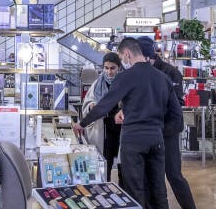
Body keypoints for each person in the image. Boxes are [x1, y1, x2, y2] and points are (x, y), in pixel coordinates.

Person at [73, 37, 182, 208]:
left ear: (127, 54)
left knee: (135, 191)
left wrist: (82, 123)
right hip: (157, 141)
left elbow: (103, 106)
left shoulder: (126, 78)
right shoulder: (162, 78)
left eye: (122, 58)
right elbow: (177, 117)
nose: (123, 62)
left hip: (133, 141)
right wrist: (159, 131)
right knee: (159, 191)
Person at [149, 50, 196, 209]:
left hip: (169, 130)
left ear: (149, 56)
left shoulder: (171, 72)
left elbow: (178, 102)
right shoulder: (144, 71)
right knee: (154, 176)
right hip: (152, 129)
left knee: (174, 174)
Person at [82, 52, 123, 184]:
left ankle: (124, 192)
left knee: (124, 165)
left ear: (119, 67)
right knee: (106, 162)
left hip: (122, 129)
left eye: (112, 68)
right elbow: (87, 102)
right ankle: (106, 189)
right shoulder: (97, 84)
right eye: (106, 68)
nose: (109, 72)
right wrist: (91, 106)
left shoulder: (125, 82)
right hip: (105, 130)